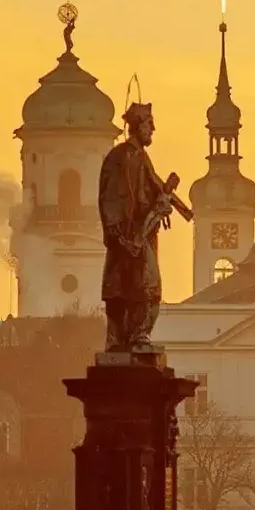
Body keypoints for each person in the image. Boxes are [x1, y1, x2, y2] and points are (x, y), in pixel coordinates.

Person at [96, 101, 186, 356]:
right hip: (127, 235)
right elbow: (110, 196)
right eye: (149, 124)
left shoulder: (141, 158)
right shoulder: (119, 157)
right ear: (137, 126)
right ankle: (126, 338)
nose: (153, 129)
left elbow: (152, 189)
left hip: (143, 232)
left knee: (146, 286)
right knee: (126, 288)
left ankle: (138, 335)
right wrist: (117, 232)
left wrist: (163, 206)